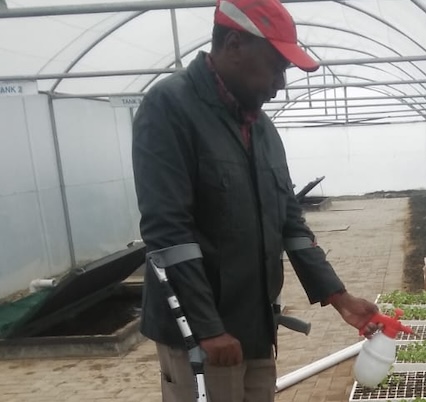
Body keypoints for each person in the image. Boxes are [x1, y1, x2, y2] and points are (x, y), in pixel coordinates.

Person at [131, 0, 379, 400]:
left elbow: (291, 224)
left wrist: (339, 297)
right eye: (277, 66)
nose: (281, 84)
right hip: (201, 335)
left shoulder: (261, 129)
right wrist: (207, 327)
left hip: (256, 324)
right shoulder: (170, 107)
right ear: (234, 44)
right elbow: (168, 230)